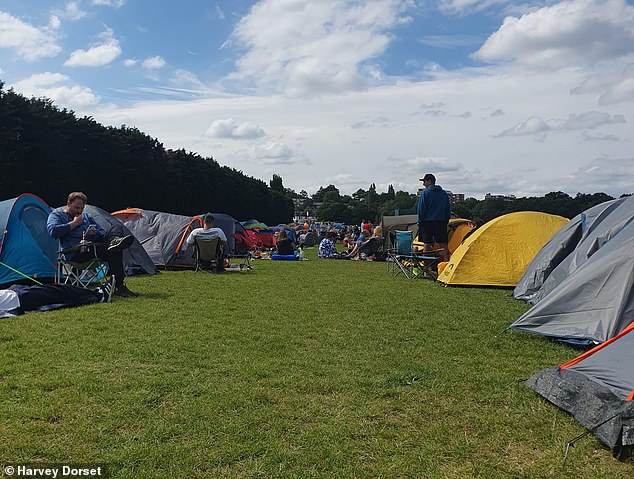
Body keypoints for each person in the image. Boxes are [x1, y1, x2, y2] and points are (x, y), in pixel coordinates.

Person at [47, 192, 137, 297]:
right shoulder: (57, 215)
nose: (79, 211)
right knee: (113, 249)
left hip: (93, 245)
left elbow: (101, 232)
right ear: (68, 203)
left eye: (82, 208)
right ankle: (119, 286)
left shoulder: (86, 216)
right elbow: (53, 232)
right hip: (76, 252)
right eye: (76, 208)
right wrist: (74, 224)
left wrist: (94, 233)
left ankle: (115, 241)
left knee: (116, 227)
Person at [0, 280, 114, 317]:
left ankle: (96, 293)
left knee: (58, 289)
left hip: (14, 291)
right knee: (61, 292)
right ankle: (99, 296)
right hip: (21, 299)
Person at [417, 173, 451, 262]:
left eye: (424, 181)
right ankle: (446, 264)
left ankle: (425, 267)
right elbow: (448, 209)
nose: (423, 184)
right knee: (443, 244)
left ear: (429, 181)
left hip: (427, 222)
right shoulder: (444, 194)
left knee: (427, 245)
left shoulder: (425, 193)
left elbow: (421, 210)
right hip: (441, 222)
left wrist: (420, 223)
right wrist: (445, 221)